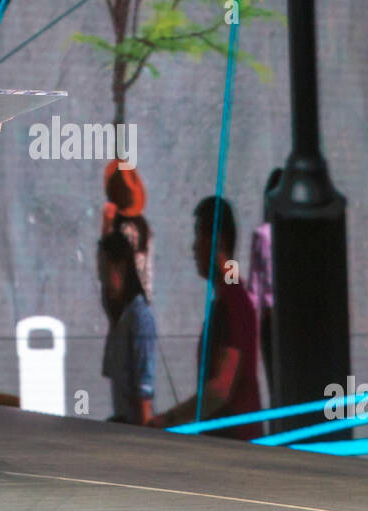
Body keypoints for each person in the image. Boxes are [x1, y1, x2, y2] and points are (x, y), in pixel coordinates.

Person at [152, 196, 261, 439]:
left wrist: (167, 419)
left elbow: (221, 389)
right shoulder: (230, 297)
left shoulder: (232, 300)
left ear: (217, 242)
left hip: (234, 448)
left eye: (197, 236)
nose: (192, 248)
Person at [98, 231, 157, 425]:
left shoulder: (139, 318)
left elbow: (144, 389)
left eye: (104, 271)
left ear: (120, 267)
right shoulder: (118, 321)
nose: (102, 282)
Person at [248, 167, 282, 403]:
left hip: (270, 317)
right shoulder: (295, 233)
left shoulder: (262, 233)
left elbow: (254, 284)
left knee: (274, 382)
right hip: (294, 317)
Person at [101, 160, 153, 301]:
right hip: (141, 299)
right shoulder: (142, 228)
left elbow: (110, 267)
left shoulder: (124, 231)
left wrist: (106, 228)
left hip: (127, 302)